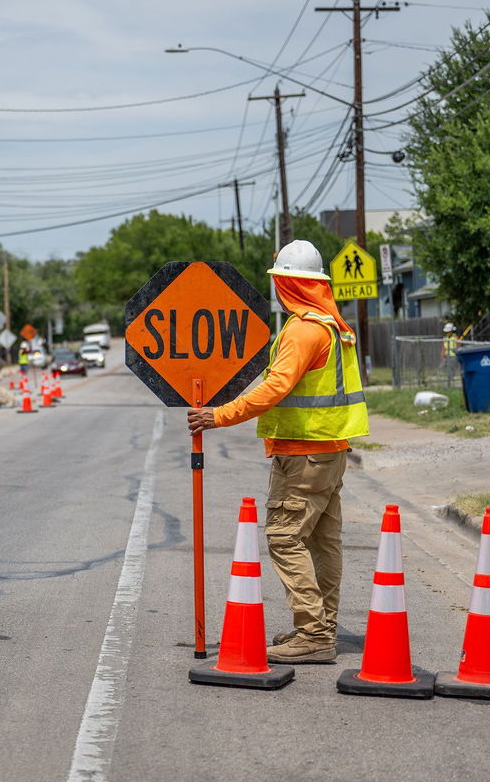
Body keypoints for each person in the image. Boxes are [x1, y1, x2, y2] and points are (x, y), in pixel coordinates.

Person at [186, 239, 369, 664]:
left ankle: (314, 633)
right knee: (323, 542)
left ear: (287, 283)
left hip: (304, 454)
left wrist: (220, 415)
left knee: (285, 538)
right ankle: (321, 625)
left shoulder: (304, 330)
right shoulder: (333, 325)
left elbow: (276, 387)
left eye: (278, 282)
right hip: (329, 450)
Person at [441, 322, 459, 387]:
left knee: (451, 367)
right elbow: (443, 346)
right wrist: (442, 354)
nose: (447, 333)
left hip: (453, 355)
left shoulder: (455, 337)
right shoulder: (445, 338)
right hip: (447, 355)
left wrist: (457, 353)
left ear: (451, 331)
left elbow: (458, 346)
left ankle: (451, 380)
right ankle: (449, 379)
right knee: (446, 367)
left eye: (448, 331)